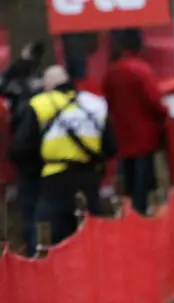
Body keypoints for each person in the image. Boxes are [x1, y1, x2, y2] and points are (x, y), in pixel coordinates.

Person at [10, 65, 116, 253]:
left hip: (54, 182)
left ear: (47, 85)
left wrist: (38, 166)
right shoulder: (96, 104)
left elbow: (19, 150)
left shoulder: (40, 104)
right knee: (93, 240)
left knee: (46, 242)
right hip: (89, 179)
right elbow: (111, 147)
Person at [102, 29, 168, 216]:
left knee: (127, 180)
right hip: (145, 136)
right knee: (143, 180)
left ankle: (127, 213)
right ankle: (140, 213)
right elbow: (154, 101)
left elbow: (108, 101)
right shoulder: (141, 70)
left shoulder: (111, 72)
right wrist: (164, 117)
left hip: (122, 136)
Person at [1, 41, 45, 251]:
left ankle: (33, 243)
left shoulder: (19, 89)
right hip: (45, 150)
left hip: (26, 151)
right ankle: (39, 243)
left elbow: (2, 83)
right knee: (39, 199)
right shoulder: (42, 85)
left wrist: (20, 61)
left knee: (30, 200)